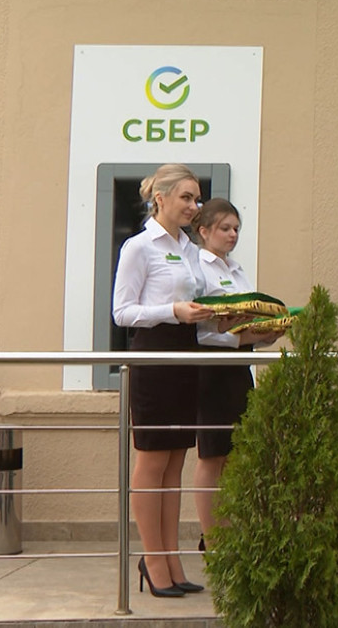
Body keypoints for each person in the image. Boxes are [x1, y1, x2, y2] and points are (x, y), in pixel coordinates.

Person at [112, 163, 216, 597]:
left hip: (186, 354)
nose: (194, 206)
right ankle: (152, 559)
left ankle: (172, 559)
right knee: (153, 461)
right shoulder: (139, 247)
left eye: (197, 198)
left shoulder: (190, 249)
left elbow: (198, 299)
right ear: (161, 198)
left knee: (175, 463)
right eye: (186, 197)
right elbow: (122, 312)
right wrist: (171, 311)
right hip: (154, 355)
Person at [191, 198, 280, 551]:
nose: (232, 235)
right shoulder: (198, 267)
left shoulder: (236, 269)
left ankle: (229, 530)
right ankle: (212, 538)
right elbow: (200, 330)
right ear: (204, 231)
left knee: (235, 453)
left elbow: (247, 318)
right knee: (212, 453)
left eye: (236, 229)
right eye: (225, 228)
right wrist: (241, 336)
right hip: (212, 367)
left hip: (238, 367)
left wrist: (267, 332)